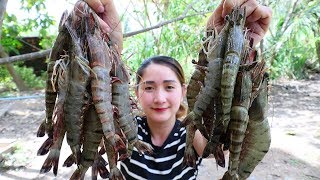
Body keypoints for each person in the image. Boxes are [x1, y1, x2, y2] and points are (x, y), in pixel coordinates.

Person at [80, 0, 272, 179]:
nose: (159, 97)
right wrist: (109, 51)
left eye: (169, 87)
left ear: (183, 91)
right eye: (149, 87)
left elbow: (223, 137)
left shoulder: (191, 134)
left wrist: (245, 51)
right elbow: (101, 101)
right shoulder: (126, 131)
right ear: (136, 92)